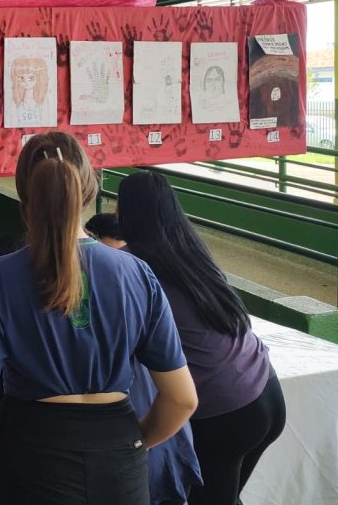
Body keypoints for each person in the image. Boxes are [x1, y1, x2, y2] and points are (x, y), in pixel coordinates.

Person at [0, 131, 198, 505]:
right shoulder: (137, 273)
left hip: (28, 458)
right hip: (120, 462)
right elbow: (182, 399)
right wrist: (131, 444)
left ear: (25, 195)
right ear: (90, 187)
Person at [117, 171, 286, 505]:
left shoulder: (132, 265)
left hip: (228, 412)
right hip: (267, 391)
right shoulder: (188, 248)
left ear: (126, 212)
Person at [89, 212, 203, 505]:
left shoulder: (139, 284)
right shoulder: (144, 278)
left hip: (146, 455)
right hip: (156, 450)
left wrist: (137, 444)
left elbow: (183, 399)